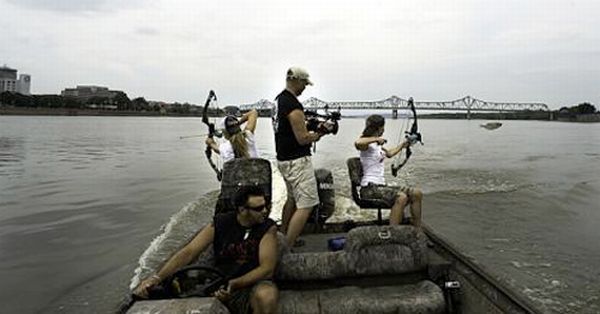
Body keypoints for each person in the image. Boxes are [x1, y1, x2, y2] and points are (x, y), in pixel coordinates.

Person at [133, 186, 279, 314]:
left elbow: (266, 269)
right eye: (259, 208)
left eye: (266, 206)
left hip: (249, 283)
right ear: (242, 210)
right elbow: (189, 252)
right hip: (217, 281)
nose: (265, 211)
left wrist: (234, 284)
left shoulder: (267, 228)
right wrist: (156, 278)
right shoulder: (221, 222)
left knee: (267, 295)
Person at [273, 66, 326, 247]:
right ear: (295, 80)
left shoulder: (279, 100)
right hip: (297, 161)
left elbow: (288, 130)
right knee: (307, 204)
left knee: (293, 199)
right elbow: (303, 139)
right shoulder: (293, 104)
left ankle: (282, 238)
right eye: (304, 83)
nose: (305, 88)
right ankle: (286, 248)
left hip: (283, 159)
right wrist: (320, 133)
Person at [354, 114, 423, 228]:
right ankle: (393, 233)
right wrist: (376, 138)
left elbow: (390, 153)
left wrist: (403, 145)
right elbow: (358, 143)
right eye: (383, 127)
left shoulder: (377, 146)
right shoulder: (366, 145)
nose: (384, 130)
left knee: (416, 194)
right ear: (378, 128)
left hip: (380, 186)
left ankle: (417, 230)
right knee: (401, 197)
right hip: (369, 188)